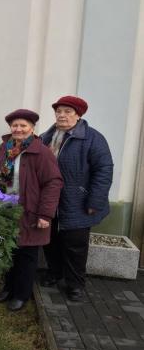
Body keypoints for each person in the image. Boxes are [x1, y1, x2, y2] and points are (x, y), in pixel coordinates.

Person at [40, 96, 113, 301]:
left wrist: (95, 201)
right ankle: (55, 272)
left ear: (78, 115)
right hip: (51, 200)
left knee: (75, 245)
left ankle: (75, 284)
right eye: (59, 111)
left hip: (78, 201)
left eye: (68, 111)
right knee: (50, 240)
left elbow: (104, 170)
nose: (62, 115)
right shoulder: (47, 136)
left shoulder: (92, 138)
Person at [0, 109, 63, 311]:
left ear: (32, 128)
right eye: (15, 125)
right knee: (8, 251)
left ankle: (21, 294)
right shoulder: (4, 148)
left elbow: (53, 182)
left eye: (23, 125)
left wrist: (45, 214)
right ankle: (8, 286)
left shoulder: (41, 152)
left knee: (27, 255)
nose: (18, 129)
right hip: (6, 209)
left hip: (30, 211)